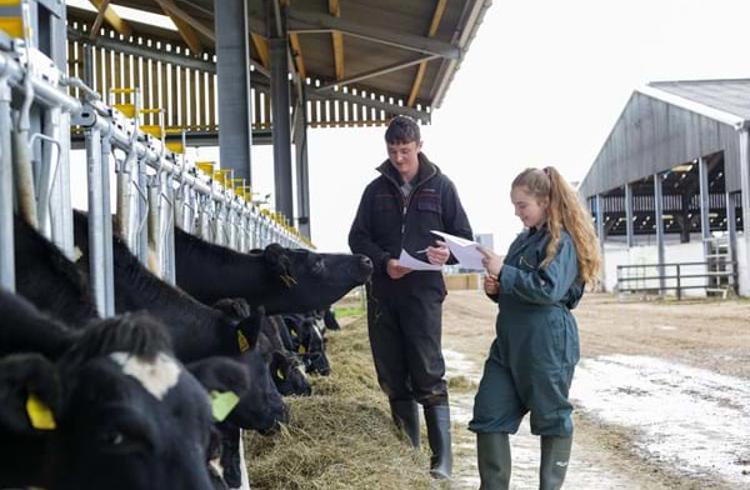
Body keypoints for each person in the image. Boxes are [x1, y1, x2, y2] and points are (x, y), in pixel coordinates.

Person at [348, 115, 473, 479]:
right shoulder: (374, 191)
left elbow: (462, 237)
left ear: (419, 146)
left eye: (405, 150)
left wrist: (445, 254)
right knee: (391, 372)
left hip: (423, 294)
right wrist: (385, 262)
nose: (399, 158)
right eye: (393, 151)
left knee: (427, 370)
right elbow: (357, 238)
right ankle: (408, 454)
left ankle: (442, 461)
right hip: (383, 294)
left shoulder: (442, 188)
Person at [470, 166, 601, 490]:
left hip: (546, 343)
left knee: (551, 418)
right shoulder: (523, 240)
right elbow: (516, 285)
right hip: (509, 343)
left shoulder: (563, 242)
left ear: (544, 201)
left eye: (522, 205)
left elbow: (548, 289)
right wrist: (496, 288)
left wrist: (505, 272)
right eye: (515, 205)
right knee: (488, 413)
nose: (517, 212)